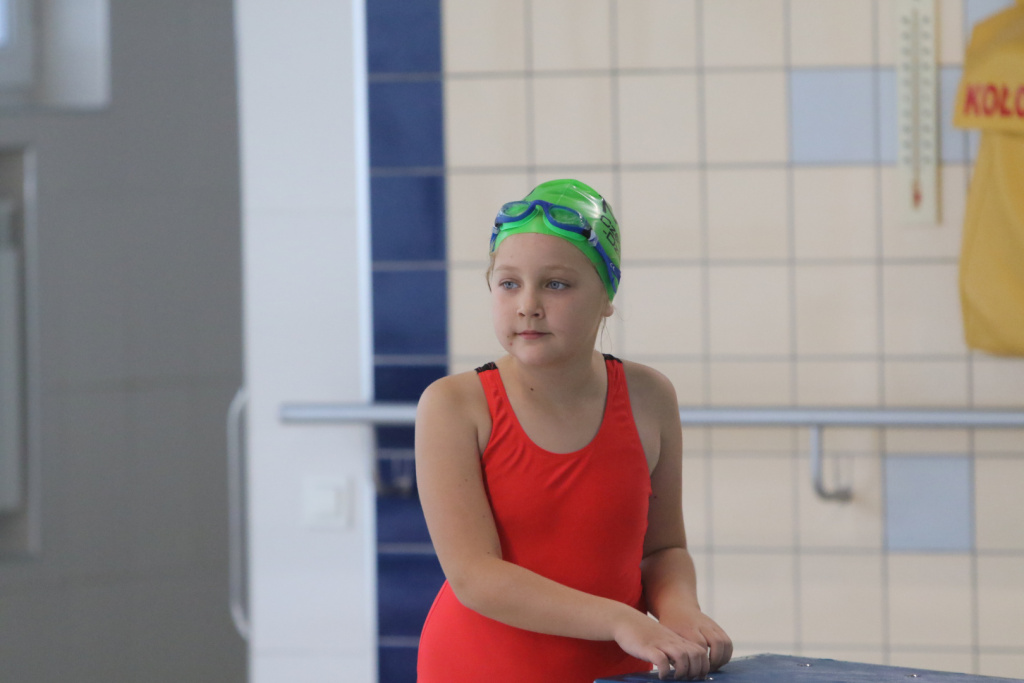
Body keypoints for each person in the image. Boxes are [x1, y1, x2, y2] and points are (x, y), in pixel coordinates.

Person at [415, 179, 732, 682]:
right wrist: (622, 621)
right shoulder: (454, 406)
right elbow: (474, 576)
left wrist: (680, 611)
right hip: (479, 667)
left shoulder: (649, 397)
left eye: (556, 284)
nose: (528, 304)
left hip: (617, 670)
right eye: (509, 283)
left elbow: (663, 549)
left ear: (607, 295)